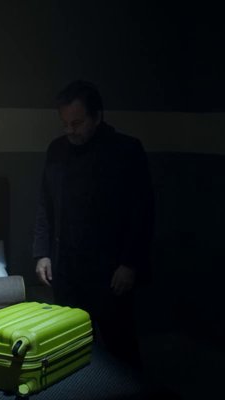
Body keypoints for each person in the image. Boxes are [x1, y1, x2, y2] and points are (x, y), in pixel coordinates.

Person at [33, 80, 153, 367]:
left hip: (109, 271)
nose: (70, 130)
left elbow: (142, 211)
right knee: (70, 344)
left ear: (97, 116)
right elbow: (45, 205)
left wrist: (129, 263)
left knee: (120, 346)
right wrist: (42, 253)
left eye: (77, 123)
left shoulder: (125, 150)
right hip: (67, 268)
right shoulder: (57, 150)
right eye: (65, 124)